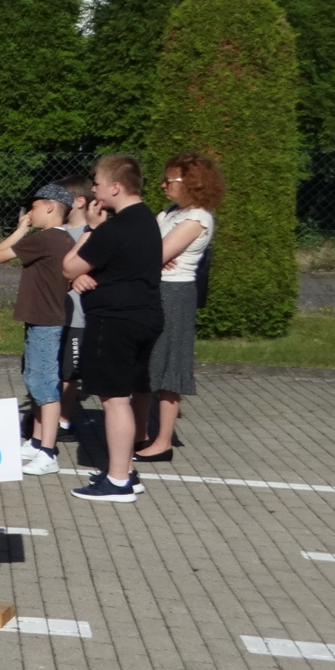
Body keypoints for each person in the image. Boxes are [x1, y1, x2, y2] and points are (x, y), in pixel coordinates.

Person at [64, 154, 165, 502]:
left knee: (114, 400)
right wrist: (86, 277)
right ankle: (127, 471)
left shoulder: (114, 228)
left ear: (116, 187)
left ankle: (118, 479)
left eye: (98, 183)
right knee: (128, 392)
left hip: (115, 319)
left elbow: (68, 266)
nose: (94, 188)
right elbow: (116, 266)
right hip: (146, 315)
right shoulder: (147, 221)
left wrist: (91, 228)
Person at [133, 153, 222, 462]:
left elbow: (154, 254)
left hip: (175, 294)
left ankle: (163, 441)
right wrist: (151, 253)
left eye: (170, 180)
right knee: (144, 363)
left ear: (191, 183)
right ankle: (139, 433)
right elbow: (144, 249)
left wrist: (152, 254)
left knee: (169, 365)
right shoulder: (167, 213)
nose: (164, 185)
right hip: (152, 289)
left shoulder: (198, 217)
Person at [0, 184, 77, 476]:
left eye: (36, 206)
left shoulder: (45, 239)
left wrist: (20, 229)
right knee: (38, 382)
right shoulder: (63, 238)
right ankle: (37, 441)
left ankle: (48, 452)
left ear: (51, 207)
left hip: (44, 322)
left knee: (44, 386)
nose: (31, 212)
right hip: (45, 319)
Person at [55, 176, 94, 437]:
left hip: (78, 317)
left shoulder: (93, 233)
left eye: (61, 199)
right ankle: (44, 420)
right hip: (51, 315)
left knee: (70, 372)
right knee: (49, 368)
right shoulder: (55, 232)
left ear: (79, 201)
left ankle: (63, 422)